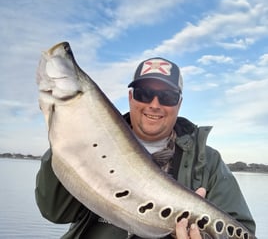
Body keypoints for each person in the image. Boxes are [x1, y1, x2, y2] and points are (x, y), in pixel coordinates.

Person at [35, 57, 256, 239]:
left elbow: (243, 230)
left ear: (178, 104)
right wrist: (65, 137)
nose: (155, 104)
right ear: (131, 97)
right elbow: (55, 211)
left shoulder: (207, 162)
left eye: (167, 97)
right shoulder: (86, 142)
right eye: (144, 93)